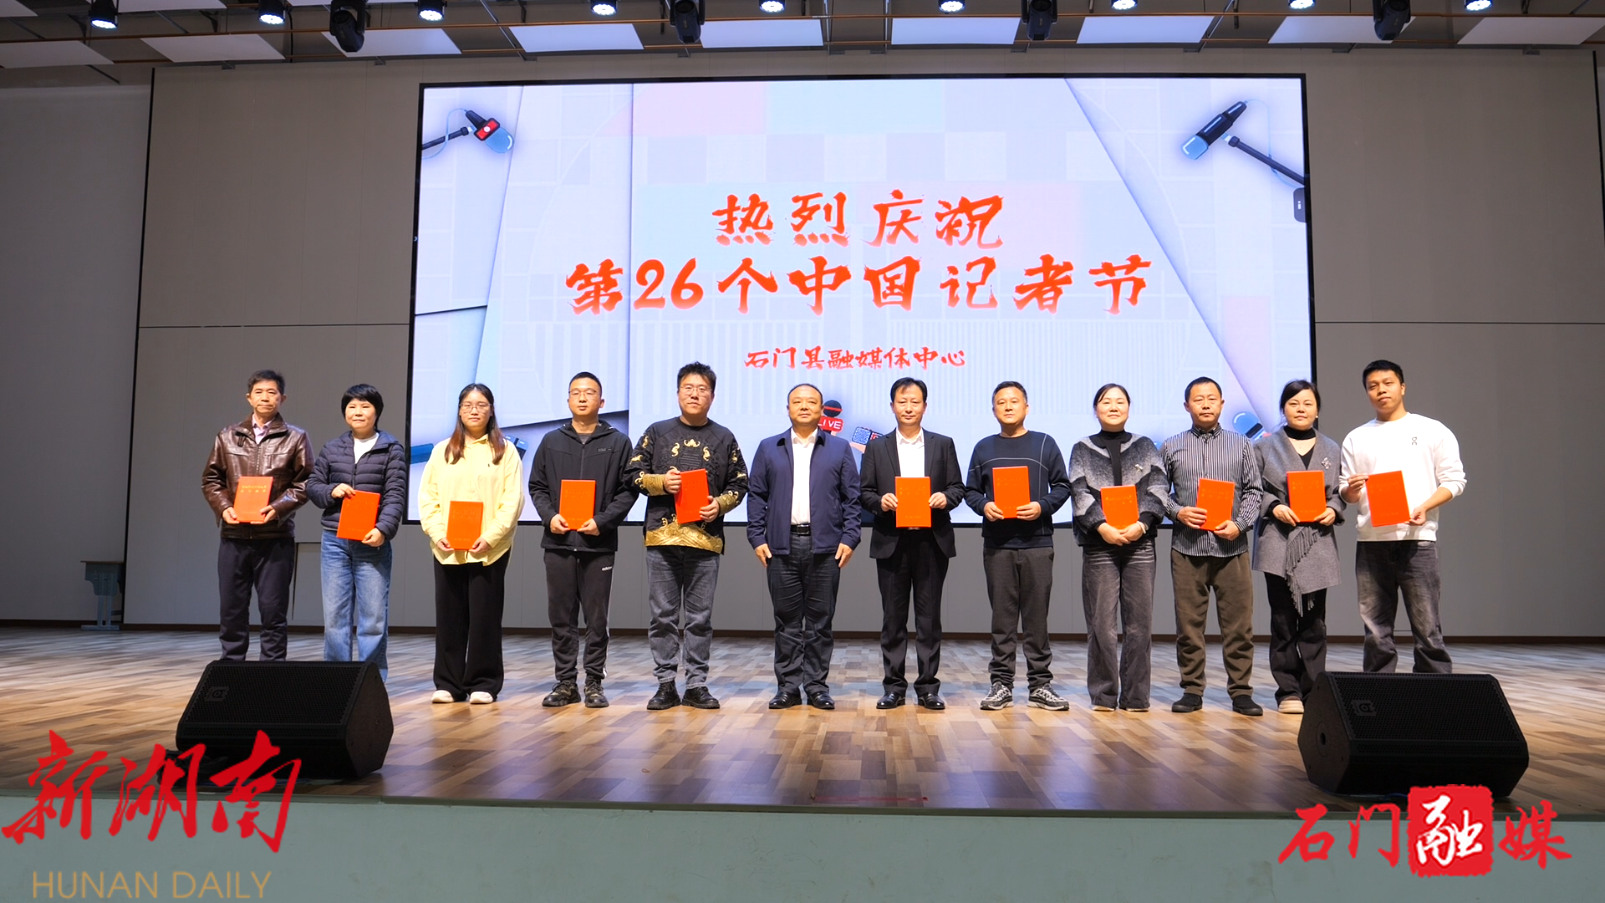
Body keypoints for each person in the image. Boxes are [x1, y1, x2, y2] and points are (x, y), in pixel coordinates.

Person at [629, 362, 749, 711]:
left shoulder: (724, 437)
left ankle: (696, 684)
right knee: (662, 616)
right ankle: (665, 684)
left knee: (700, 618)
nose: (695, 394)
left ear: (713, 395)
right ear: (678, 392)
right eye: (688, 388)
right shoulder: (657, 432)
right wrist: (660, 482)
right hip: (662, 538)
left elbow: (740, 483)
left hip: (705, 540)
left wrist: (719, 505)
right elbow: (632, 473)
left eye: (702, 389)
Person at [1339, 360, 1466, 674]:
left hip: (1417, 541)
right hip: (1371, 541)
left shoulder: (1431, 430)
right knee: (1375, 631)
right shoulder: (1356, 437)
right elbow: (1346, 492)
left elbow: (1454, 480)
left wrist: (1424, 506)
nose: (1381, 390)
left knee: (1427, 628)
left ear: (1402, 387)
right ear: (1367, 392)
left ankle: (1435, 693)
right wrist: (1351, 490)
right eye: (1373, 386)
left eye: (1388, 383)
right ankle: (1380, 693)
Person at [528, 372, 639, 709]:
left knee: (596, 619)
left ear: (601, 402)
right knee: (561, 617)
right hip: (558, 542)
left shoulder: (618, 442)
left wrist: (602, 522)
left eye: (589, 392)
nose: (582, 397)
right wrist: (550, 516)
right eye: (575, 392)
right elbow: (537, 486)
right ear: (567, 400)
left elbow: (628, 490)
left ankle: (593, 682)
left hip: (597, 544)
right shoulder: (551, 441)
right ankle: (565, 682)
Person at [747, 384, 861, 711]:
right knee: (787, 622)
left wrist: (850, 538)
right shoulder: (769, 447)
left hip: (825, 547)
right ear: (788, 409)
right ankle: (788, 688)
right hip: (780, 546)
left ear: (822, 410)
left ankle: (816, 687)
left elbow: (852, 499)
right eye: (797, 401)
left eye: (811, 402)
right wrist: (757, 537)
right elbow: (757, 496)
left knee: (820, 623)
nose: (804, 406)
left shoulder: (839, 448)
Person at [1158, 377, 1264, 716]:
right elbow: (1158, 491)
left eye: (1211, 398)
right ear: (1186, 405)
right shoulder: (1171, 446)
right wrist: (1178, 511)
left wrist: (1240, 524)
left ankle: (1241, 691)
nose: (1205, 404)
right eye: (1198, 399)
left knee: (1239, 626)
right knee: (1189, 627)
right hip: (1187, 548)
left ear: (1221, 404)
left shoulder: (1242, 445)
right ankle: (1192, 690)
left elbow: (1254, 491)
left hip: (1231, 548)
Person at [964, 381, 1073, 712]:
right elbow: (970, 491)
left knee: (1037, 618)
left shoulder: (1044, 443)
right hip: (998, 545)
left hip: (1037, 543)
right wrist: (984, 506)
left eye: (1014, 401)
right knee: (1003, 618)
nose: (1008, 406)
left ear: (1027, 407)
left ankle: (1040, 685)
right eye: (1001, 402)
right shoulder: (983, 448)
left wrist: (1042, 506)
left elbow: (1063, 486)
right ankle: (1001, 684)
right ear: (993, 409)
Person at [859, 377, 966, 711]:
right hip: (892, 540)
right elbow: (864, 492)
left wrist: (944, 498)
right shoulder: (877, 447)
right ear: (892, 406)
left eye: (915, 402)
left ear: (925, 406)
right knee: (893, 619)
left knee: (929, 619)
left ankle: (928, 688)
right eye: (902, 402)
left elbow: (958, 488)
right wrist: (881, 502)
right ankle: (893, 687)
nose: (908, 408)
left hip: (931, 541)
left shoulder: (942, 444)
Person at [418, 384, 525, 705]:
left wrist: (490, 536)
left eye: (481, 404)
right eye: (467, 405)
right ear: (459, 410)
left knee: (484, 618)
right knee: (449, 618)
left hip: (489, 549)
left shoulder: (506, 451)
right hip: (447, 547)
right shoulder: (441, 450)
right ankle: (448, 683)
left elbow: (512, 500)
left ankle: (483, 682)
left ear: (491, 410)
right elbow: (428, 497)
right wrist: (437, 532)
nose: (474, 410)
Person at [201, 370, 312, 662]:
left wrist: (278, 508)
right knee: (232, 611)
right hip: (234, 537)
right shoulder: (227, 436)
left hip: (275, 538)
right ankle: (231, 671)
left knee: (273, 612)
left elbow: (305, 483)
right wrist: (224, 507)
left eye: (272, 392)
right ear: (249, 397)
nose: (265, 397)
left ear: (282, 398)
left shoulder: (296, 437)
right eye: (259, 392)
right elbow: (211, 480)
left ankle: (269, 676)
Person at [1068, 384, 1165, 713]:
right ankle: (1104, 695)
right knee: (1102, 626)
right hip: (1100, 544)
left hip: (1141, 543)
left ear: (1129, 407)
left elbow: (1159, 487)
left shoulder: (1145, 446)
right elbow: (1079, 491)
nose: (1113, 406)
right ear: (1095, 409)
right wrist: (1102, 527)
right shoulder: (1082, 448)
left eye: (1120, 401)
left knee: (1140, 626)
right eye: (1106, 401)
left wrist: (1142, 524)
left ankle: (1136, 697)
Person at [1253, 380, 1345, 714]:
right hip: (1278, 542)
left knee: (1314, 622)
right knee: (1282, 620)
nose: (1301, 409)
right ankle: (1288, 691)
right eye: (1293, 403)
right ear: (1283, 409)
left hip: (1316, 543)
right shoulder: (1264, 447)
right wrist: (1274, 506)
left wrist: (1333, 509)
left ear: (1317, 410)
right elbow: (1251, 488)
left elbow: (1340, 492)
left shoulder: (1332, 448)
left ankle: (1313, 689)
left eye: (1308, 403)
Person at [306, 384, 408, 682]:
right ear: (344, 413)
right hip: (334, 540)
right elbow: (313, 486)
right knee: (335, 617)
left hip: (371, 541)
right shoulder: (332, 447)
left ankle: (370, 683)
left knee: (373, 619)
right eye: (352, 406)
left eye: (365, 406)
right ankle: (337, 682)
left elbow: (395, 495)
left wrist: (383, 529)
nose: (358, 412)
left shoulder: (391, 448)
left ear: (377, 411)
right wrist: (331, 490)